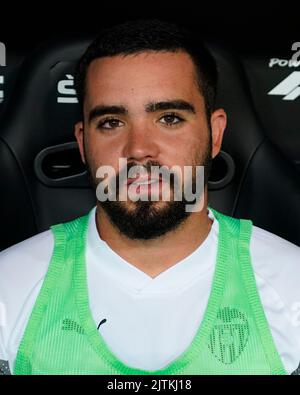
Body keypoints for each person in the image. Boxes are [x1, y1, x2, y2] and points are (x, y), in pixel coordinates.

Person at [1, 19, 300, 375]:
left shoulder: (290, 286)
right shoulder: (9, 288)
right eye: (111, 122)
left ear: (215, 133)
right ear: (83, 143)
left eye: (170, 118)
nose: (139, 150)